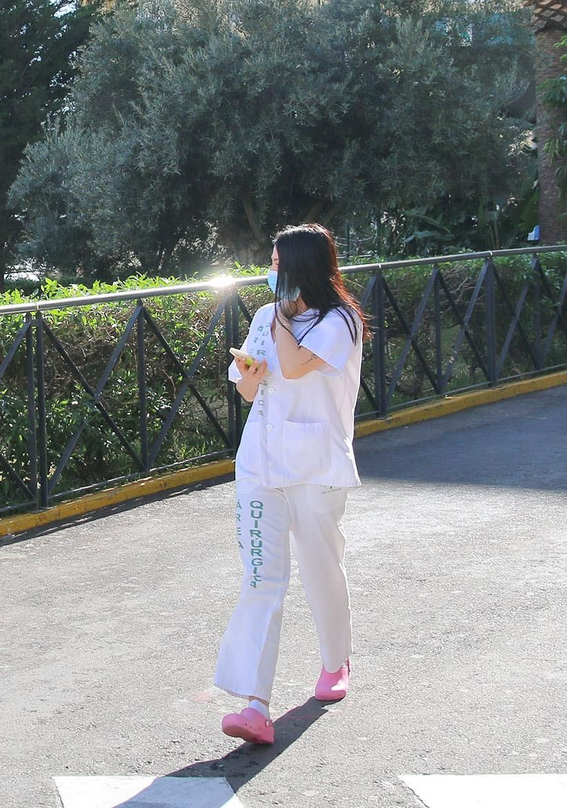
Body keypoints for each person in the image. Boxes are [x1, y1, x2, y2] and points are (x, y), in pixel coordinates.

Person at [215, 223, 366, 746]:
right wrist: (250, 372)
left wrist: (281, 316)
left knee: (320, 566)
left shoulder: (340, 320)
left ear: (302, 267)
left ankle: (334, 660)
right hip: (260, 464)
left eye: (278, 263)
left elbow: (299, 367)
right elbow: (250, 389)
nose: (271, 270)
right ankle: (255, 704)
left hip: (317, 465)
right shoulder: (264, 316)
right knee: (261, 577)